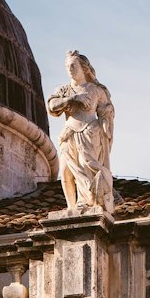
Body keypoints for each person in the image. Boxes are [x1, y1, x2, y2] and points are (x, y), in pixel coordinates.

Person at [47, 51, 115, 213]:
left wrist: (106, 124)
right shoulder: (64, 90)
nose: (69, 69)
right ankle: (71, 207)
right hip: (69, 133)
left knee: (87, 166)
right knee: (66, 171)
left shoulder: (96, 90)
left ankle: (87, 201)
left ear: (84, 68)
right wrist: (72, 99)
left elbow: (106, 110)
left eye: (73, 65)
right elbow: (52, 105)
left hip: (90, 132)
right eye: (67, 66)